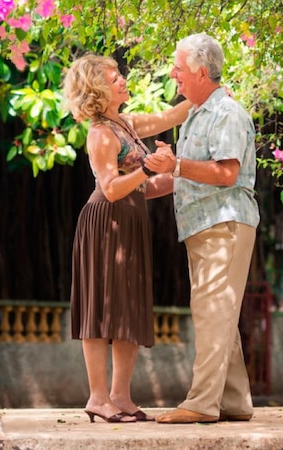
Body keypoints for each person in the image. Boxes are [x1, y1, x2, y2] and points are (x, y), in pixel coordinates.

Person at [63, 54, 190, 424]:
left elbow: (170, 118)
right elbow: (113, 188)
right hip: (106, 222)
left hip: (132, 222)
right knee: (101, 309)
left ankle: (120, 395)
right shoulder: (101, 132)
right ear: (97, 89)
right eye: (113, 77)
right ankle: (98, 398)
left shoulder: (128, 124)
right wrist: (150, 167)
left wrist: (208, 95)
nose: (121, 80)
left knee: (129, 308)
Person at [143, 33, 260, 424]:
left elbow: (226, 173)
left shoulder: (225, 113)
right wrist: (131, 190)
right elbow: (185, 177)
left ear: (200, 70)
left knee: (212, 312)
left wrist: (174, 165)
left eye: (179, 67)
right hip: (203, 225)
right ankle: (234, 401)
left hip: (223, 222)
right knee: (218, 313)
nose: (173, 74)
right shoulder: (196, 114)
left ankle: (201, 403)